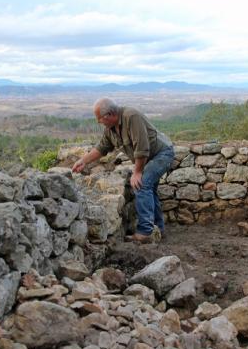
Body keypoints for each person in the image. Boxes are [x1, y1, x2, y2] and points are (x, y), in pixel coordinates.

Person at [72, 98, 174, 243]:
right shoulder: (110, 129)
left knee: (142, 184)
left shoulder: (131, 117)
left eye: (99, 119)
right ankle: (158, 228)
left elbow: (142, 148)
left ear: (110, 115)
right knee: (149, 190)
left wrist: (137, 172)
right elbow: (102, 148)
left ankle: (145, 232)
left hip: (162, 154)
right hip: (149, 157)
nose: (99, 122)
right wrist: (83, 161)